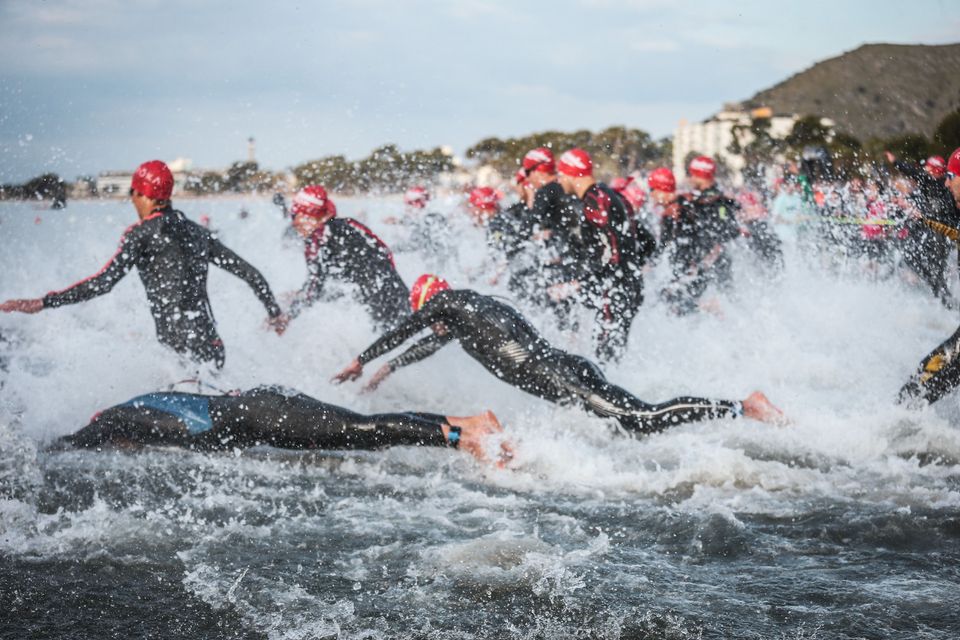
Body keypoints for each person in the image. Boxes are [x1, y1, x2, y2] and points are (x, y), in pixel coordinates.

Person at [334, 275, 784, 435]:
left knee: (641, 420)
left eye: (428, 313)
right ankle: (738, 409)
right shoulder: (469, 314)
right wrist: (388, 368)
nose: (431, 323)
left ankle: (743, 407)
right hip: (564, 369)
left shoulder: (450, 303)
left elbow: (407, 329)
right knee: (629, 427)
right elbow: (425, 342)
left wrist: (361, 359)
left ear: (433, 299)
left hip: (561, 375)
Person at [0, 160, 286, 369]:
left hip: (179, 352)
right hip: (212, 347)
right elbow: (250, 273)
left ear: (140, 194)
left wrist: (45, 302)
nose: (132, 201)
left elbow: (103, 283)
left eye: (133, 195)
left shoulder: (140, 234)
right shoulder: (199, 234)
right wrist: (274, 313)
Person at [59, 385, 510, 465]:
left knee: (360, 434)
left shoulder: (121, 417)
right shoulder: (146, 403)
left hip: (261, 414)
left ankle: (461, 439)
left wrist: (60, 446)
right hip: (263, 403)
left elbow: (103, 426)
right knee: (359, 425)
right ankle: (468, 421)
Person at [553, 148, 649, 362]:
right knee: (609, 352)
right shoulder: (610, 195)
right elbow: (647, 242)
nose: (558, 181)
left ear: (570, 173)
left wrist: (578, 284)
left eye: (560, 175)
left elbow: (613, 256)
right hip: (624, 285)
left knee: (605, 356)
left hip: (616, 287)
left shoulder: (595, 201)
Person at [285, 185, 409, 332]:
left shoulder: (320, 237)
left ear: (309, 215)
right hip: (398, 292)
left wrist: (288, 315)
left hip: (379, 303)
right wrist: (300, 293)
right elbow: (383, 254)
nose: (294, 223)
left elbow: (315, 284)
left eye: (295, 216)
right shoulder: (347, 224)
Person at [898, 147, 960, 407]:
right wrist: (922, 220)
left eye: (950, 176)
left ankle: (893, 421)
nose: (946, 182)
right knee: (927, 377)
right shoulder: (952, 205)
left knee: (925, 385)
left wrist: (925, 221)